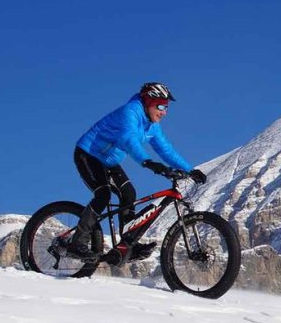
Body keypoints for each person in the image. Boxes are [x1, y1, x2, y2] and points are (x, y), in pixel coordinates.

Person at [69, 82, 207, 261]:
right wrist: (147, 162)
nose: (164, 112)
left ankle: (127, 244)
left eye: (166, 108)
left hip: (109, 161)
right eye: (161, 106)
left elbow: (165, 149)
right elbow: (129, 140)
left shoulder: (152, 125)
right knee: (103, 195)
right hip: (88, 154)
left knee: (129, 193)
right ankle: (76, 243)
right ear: (149, 101)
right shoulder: (130, 112)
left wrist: (190, 170)